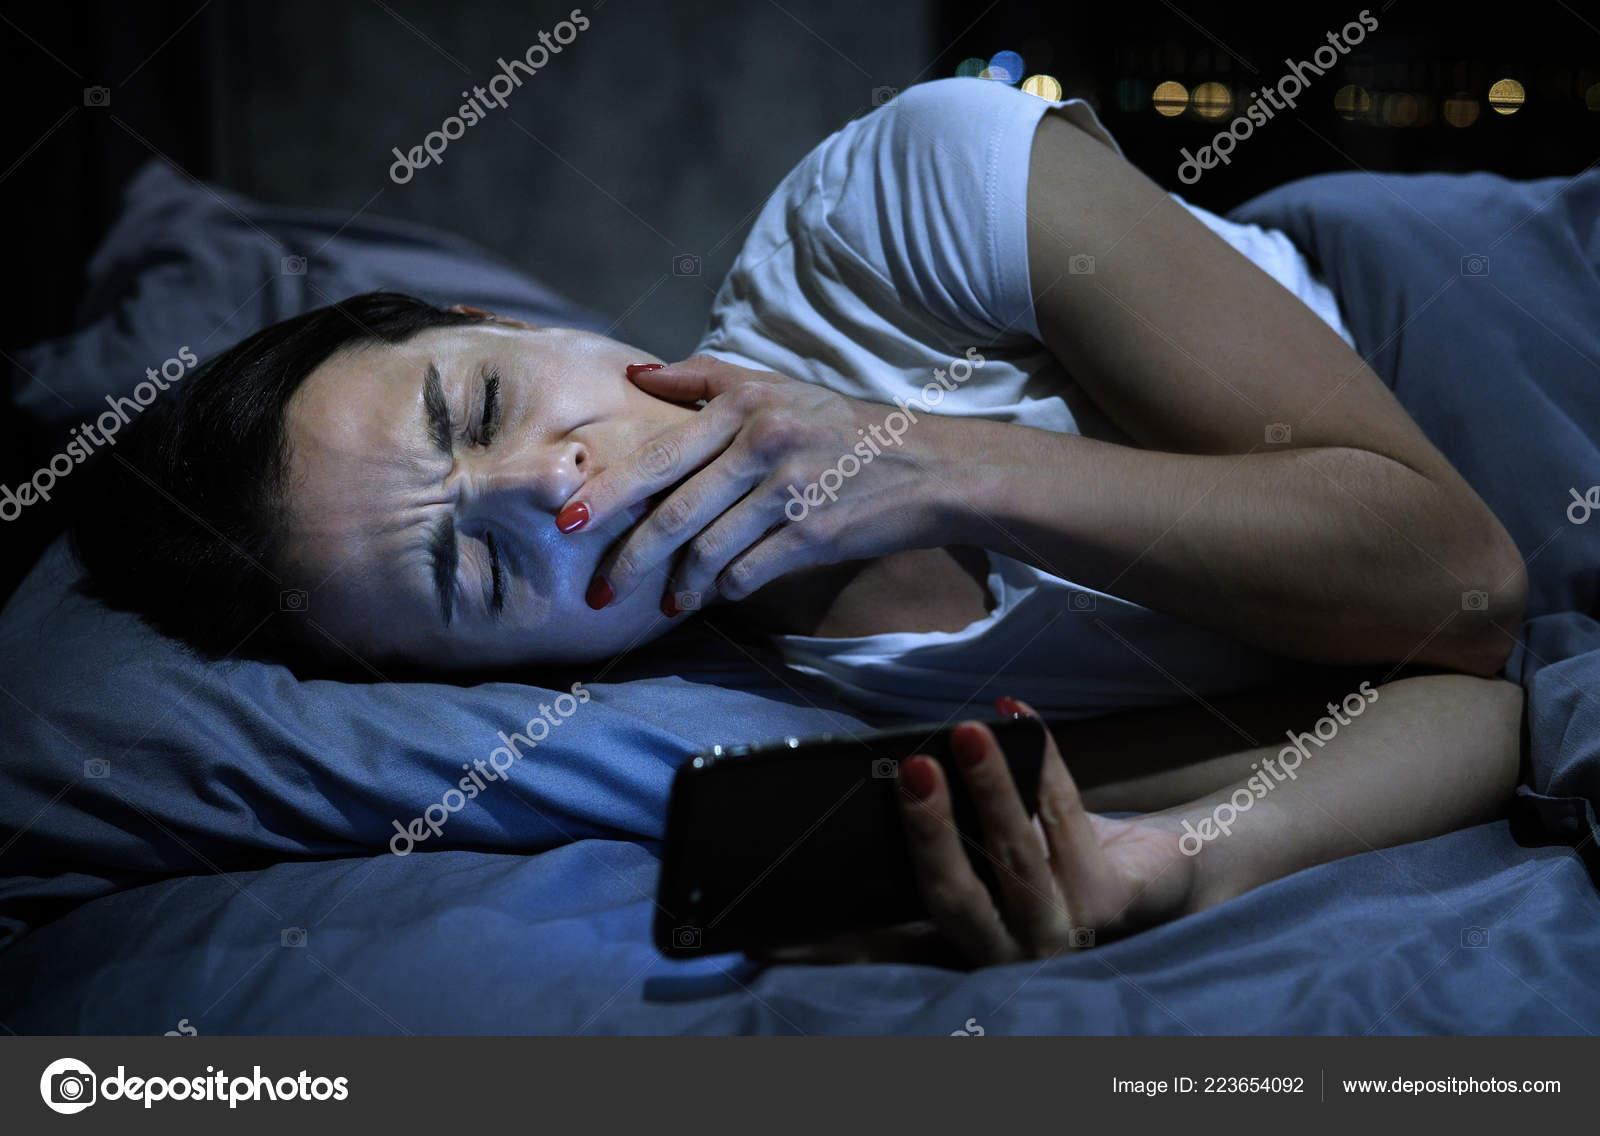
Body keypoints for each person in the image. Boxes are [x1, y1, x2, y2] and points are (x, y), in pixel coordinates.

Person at [70, 78, 1528, 962]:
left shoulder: (899, 205)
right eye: (476, 572)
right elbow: (1476, 695)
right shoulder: (810, 729)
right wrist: (1187, 861)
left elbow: (1462, 578)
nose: (548, 488)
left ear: (496, 319)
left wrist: (937, 464)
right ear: (491, 679)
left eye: (483, 404)